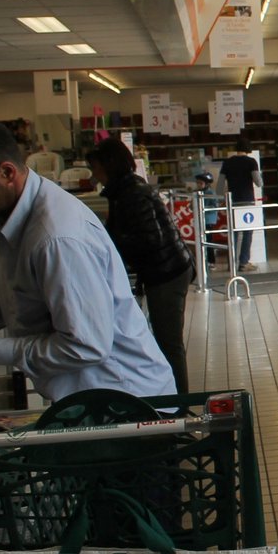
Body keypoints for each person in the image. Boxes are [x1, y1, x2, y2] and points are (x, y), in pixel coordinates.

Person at [0, 113, 176, 403]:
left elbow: (85, 346)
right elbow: (24, 292)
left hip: (126, 403)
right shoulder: (5, 215)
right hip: (89, 398)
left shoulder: (57, 238)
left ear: (7, 172)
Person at [88, 139, 195, 396]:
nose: (94, 175)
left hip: (167, 273)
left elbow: (151, 239)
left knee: (169, 344)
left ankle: (180, 406)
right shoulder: (125, 190)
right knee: (166, 342)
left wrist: (112, 241)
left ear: (109, 166)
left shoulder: (131, 194)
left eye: (96, 168)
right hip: (167, 268)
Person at [219, 146, 262, 272]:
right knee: (247, 232)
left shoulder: (227, 162)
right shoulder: (251, 162)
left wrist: (221, 198)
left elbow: (220, 185)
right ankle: (243, 262)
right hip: (247, 200)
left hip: (232, 201)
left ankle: (231, 263)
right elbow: (259, 183)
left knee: (233, 233)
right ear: (248, 149)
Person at [194, 171, 220, 267]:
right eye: (197, 183)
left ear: (207, 184)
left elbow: (214, 205)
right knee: (201, 239)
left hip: (208, 220)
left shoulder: (210, 193)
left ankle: (211, 261)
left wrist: (203, 207)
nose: (198, 185)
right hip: (200, 220)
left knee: (208, 240)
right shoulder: (197, 192)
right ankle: (203, 259)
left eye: (201, 183)